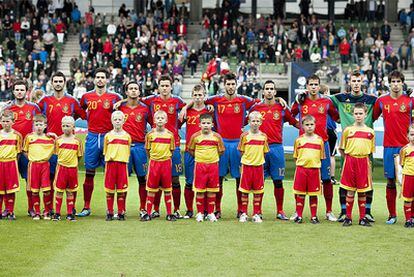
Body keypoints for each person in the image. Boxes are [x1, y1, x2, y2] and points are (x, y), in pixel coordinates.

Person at [203, 72, 259, 218]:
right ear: (224, 85)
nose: (230, 86)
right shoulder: (215, 100)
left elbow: (260, 103)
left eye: (233, 84)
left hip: (237, 144)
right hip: (221, 144)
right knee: (218, 178)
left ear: (236, 85)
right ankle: (217, 209)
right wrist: (186, 107)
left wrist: (278, 98)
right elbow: (201, 101)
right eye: (228, 84)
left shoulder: (243, 100)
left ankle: (241, 209)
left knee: (239, 178)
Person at [330, 71, 377, 222]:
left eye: (358, 80)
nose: (356, 83)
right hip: (349, 146)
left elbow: (386, 102)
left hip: (365, 146)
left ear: (362, 81)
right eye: (353, 81)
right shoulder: (341, 98)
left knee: (367, 182)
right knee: (344, 182)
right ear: (349, 82)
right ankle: (344, 212)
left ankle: (367, 212)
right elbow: (322, 100)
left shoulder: (371, 100)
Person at [292, 74, 339, 222]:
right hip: (305, 146)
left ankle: (329, 211)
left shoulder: (326, 101)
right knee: (300, 180)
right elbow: (290, 115)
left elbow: (336, 117)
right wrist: (299, 127)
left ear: (319, 86)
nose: (313, 87)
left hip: (322, 144)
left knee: (326, 179)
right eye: (310, 84)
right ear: (307, 86)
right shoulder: (300, 100)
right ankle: (297, 211)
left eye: (315, 85)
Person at [37, 71, 86, 213]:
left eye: (60, 81)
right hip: (51, 146)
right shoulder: (45, 101)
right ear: (51, 83)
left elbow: (82, 114)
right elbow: (37, 117)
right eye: (55, 81)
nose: (58, 84)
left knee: (72, 179)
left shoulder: (71, 101)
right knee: (52, 177)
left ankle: (72, 208)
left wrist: (69, 127)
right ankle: (51, 208)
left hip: (69, 146)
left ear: (64, 83)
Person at [250, 80, 299, 220]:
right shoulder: (256, 108)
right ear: (263, 91)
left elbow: (294, 122)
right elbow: (244, 120)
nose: (270, 91)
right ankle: (257, 211)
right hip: (259, 149)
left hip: (277, 148)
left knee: (278, 181)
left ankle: (280, 211)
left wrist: (310, 130)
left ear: (275, 92)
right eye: (267, 89)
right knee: (259, 182)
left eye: (272, 89)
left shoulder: (281, 107)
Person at [77, 68, 122, 217]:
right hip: (92, 136)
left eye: (103, 77)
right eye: (98, 77)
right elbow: (79, 110)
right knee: (89, 173)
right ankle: (86, 207)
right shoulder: (86, 97)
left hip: (109, 138)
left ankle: (113, 209)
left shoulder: (115, 97)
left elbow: (122, 112)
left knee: (110, 173)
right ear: (94, 80)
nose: (100, 79)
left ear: (107, 79)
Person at [141, 75, 185, 219]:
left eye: (167, 85)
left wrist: (185, 109)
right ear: (158, 87)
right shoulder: (152, 100)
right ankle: (155, 209)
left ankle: (176, 209)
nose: (165, 88)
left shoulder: (177, 101)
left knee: (174, 179)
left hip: (174, 144)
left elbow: (187, 107)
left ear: (171, 87)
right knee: (157, 180)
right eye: (162, 85)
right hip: (157, 143)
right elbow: (135, 99)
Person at [373, 71, 414, 224]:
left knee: (411, 181)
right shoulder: (381, 101)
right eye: (393, 81)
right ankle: (392, 215)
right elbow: (372, 117)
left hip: (408, 148)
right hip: (389, 147)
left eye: (398, 81)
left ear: (402, 83)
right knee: (390, 181)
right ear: (388, 83)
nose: (396, 84)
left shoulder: (410, 100)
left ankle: (412, 216)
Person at [2, 80, 41, 217]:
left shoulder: (34, 108)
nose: (19, 92)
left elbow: (40, 125)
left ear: (27, 91)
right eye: (17, 90)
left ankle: (31, 208)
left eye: (22, 90)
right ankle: (8, 209)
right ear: (13, 92)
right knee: (6, 181)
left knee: (29, 180)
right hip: (10, 152)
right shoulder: (7, 109)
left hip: (26, 151)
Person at [339, 103, 375, 227]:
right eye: (356, 113)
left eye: (361, 113)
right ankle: (348, 218)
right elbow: (342, 148)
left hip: (363, 162)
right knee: (349, 191)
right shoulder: (348, 130)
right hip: (350, 161)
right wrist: (349, 159)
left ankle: (362, 218)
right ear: (353, 114)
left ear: (365, 114)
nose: (358, 116)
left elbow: (370, 151)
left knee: (362, 192)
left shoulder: (370, 132)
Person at [118, 81, 150, 218]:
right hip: (124, 146)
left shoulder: (145, 109)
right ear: (126, 92)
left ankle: (143, 208)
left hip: (139, 147)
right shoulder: (119, 108)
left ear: (139, 92)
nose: (133, 91)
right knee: (123, 179)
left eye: (135, 89)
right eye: (130, 89)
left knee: (142, 178)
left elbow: (154, 125)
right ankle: (121, 209)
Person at [188, 113, 224, 222]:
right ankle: (200, 213)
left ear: (212, 124)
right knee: (200, 190)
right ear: (199, 125)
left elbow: (221, 151)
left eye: (208, 123)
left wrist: (212, 158)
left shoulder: (217, 137)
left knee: (212, 190)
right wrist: (201, 158)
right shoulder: (195, 136)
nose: (206, 125)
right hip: (200, 166)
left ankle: (210, 213)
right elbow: (190, 150)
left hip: (213, 166)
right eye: (203, 123)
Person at [182, 84, 210, 219]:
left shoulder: (209, 111)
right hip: (189, 151)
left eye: (200, 95)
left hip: (205, 152)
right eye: (196, 95)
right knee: (189, 181)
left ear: (204, 96)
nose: (198, 98)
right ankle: (189, 210)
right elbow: (176, 125)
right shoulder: (187, 112)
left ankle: (205, 210)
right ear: (192, 96)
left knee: (204, 183)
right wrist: (185, 108)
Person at [142, 110, 176, 221]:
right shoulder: (150, 135)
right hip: (154, 164)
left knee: (167, 189)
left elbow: (172, 150)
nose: (160, 120)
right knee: (151, 189)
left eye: (162, 118)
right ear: (154, 120)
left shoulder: (170, 135)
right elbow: (147, 150)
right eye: (158, 118)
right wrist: (153, 158)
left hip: (166, 164)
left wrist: (165, 158)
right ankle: (147, 213)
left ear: (166, 120)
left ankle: (169, 213)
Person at [292, 115, 325, 224]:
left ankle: (314, 216)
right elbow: (296, 156)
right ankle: (299, 215)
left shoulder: (319, 140)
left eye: (311, 124)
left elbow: (321, 157)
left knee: (313, 194)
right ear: (302, 126)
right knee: (300, 194)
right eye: (307, 125)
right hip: (301, 170)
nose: (309, 127)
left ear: (315, 125)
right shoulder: (299, 140)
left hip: (314, 170)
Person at [238, 112, 269, 223]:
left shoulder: (263, 136)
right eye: (253, 121)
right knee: (244, 191)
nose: (255, 123)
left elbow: (264, 152)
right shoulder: (244, 136)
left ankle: (256, 213)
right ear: (249, 122)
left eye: (257, 121)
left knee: (258, 191)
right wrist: (246, 162)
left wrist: (258, 160)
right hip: (247, 167)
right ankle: (244, 213)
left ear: (260, 122)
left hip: (258, 167)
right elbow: (241, 151)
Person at [23, 115, 55, 220]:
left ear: (45, 125)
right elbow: (25, 151)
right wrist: (33, 158)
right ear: (33, 126)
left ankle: (46, 211)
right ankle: (37, 212)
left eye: (41, 124)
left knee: (46, 190)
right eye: (36, 124)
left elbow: (58, 146)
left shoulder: (49, 139)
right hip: (33, 166)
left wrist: (55, 136)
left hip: (45, 165)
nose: (38, 127)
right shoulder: (29, 137)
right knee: (34, 190)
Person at [52, 116, 83, 221]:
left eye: (68, 126)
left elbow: (79, 156)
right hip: (61, 169)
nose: (65, 128)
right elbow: (56, 154)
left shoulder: (77, 141)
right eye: (63, 125)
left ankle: (70, 213)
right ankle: (57, 213)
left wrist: (73, 163)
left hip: (72, 169)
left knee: (70, 191)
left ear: (73, 127)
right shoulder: (58, 140)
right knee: (59, 191)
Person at [103, 111, 131, 221]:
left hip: (122, 165)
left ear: (124, 121)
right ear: (112, 121)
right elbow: (105, 151)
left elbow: (127, 150)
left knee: (121, 189)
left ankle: (121, 212)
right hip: (111, 164)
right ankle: (109, 212)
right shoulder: (108, 136)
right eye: (115, 119)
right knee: (109, 189)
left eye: (120, 119)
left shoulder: (127, 136)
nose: (118, 121)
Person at [0, 110, 22, 220]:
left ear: (13, 122)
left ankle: (10, 211)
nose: (6, 123)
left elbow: (18, 152)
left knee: (11, 189)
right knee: (0, 189)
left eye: (8, 121)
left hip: (11, 164)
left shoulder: (17, 136)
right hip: (0, 164)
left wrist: (13, 161)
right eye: (3, 121)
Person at [399, 124, 414, 228]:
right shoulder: (404, 150)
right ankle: (408, 219)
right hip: (408, 176)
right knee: (408, 198)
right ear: (407, 136)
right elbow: (402, 163)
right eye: (412, 134)